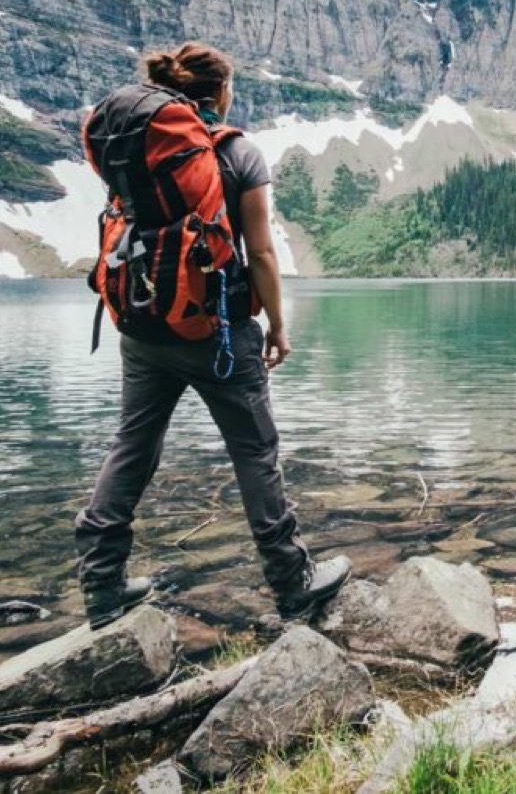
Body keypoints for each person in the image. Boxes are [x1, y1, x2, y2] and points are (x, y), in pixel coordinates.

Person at [73, 42, 350, 630]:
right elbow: (263, 253)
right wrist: (276, 325)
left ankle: (101, 586)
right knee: (255, 453)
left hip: (143, 327)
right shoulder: (236, 154)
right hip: (216, 333)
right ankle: (291, 582)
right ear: (221, 92)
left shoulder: (136, 149)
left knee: (132, 445)